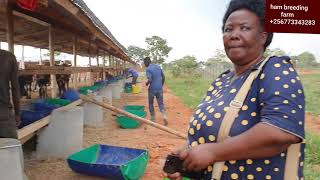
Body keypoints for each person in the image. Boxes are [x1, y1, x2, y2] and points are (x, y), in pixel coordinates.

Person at [165, 0, 305, 179]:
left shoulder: (275, 68)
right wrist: (189, 157)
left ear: (263, 36)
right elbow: (215, 133)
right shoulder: (223, 79)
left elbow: (281, 131)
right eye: (228, 29)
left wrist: (214, 152)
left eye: (245, 28)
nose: (234, 35)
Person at [0, 49, 21, 139]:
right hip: (3, 111)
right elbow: (15, 88)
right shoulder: (9, 56)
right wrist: (17, 113)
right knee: (11, 147)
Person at [144, 57, 168, 126]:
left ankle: (153, 119)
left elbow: (150, 79)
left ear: (147, 62)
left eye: (144, 63)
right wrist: (161, 85)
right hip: (159, 88)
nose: (144, 64)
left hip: (152, 89)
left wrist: (147, 83)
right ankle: (164, 115)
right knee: (161, 104)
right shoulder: (158, 67)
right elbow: (163, 77)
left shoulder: (148, 69)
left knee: (151, 103)